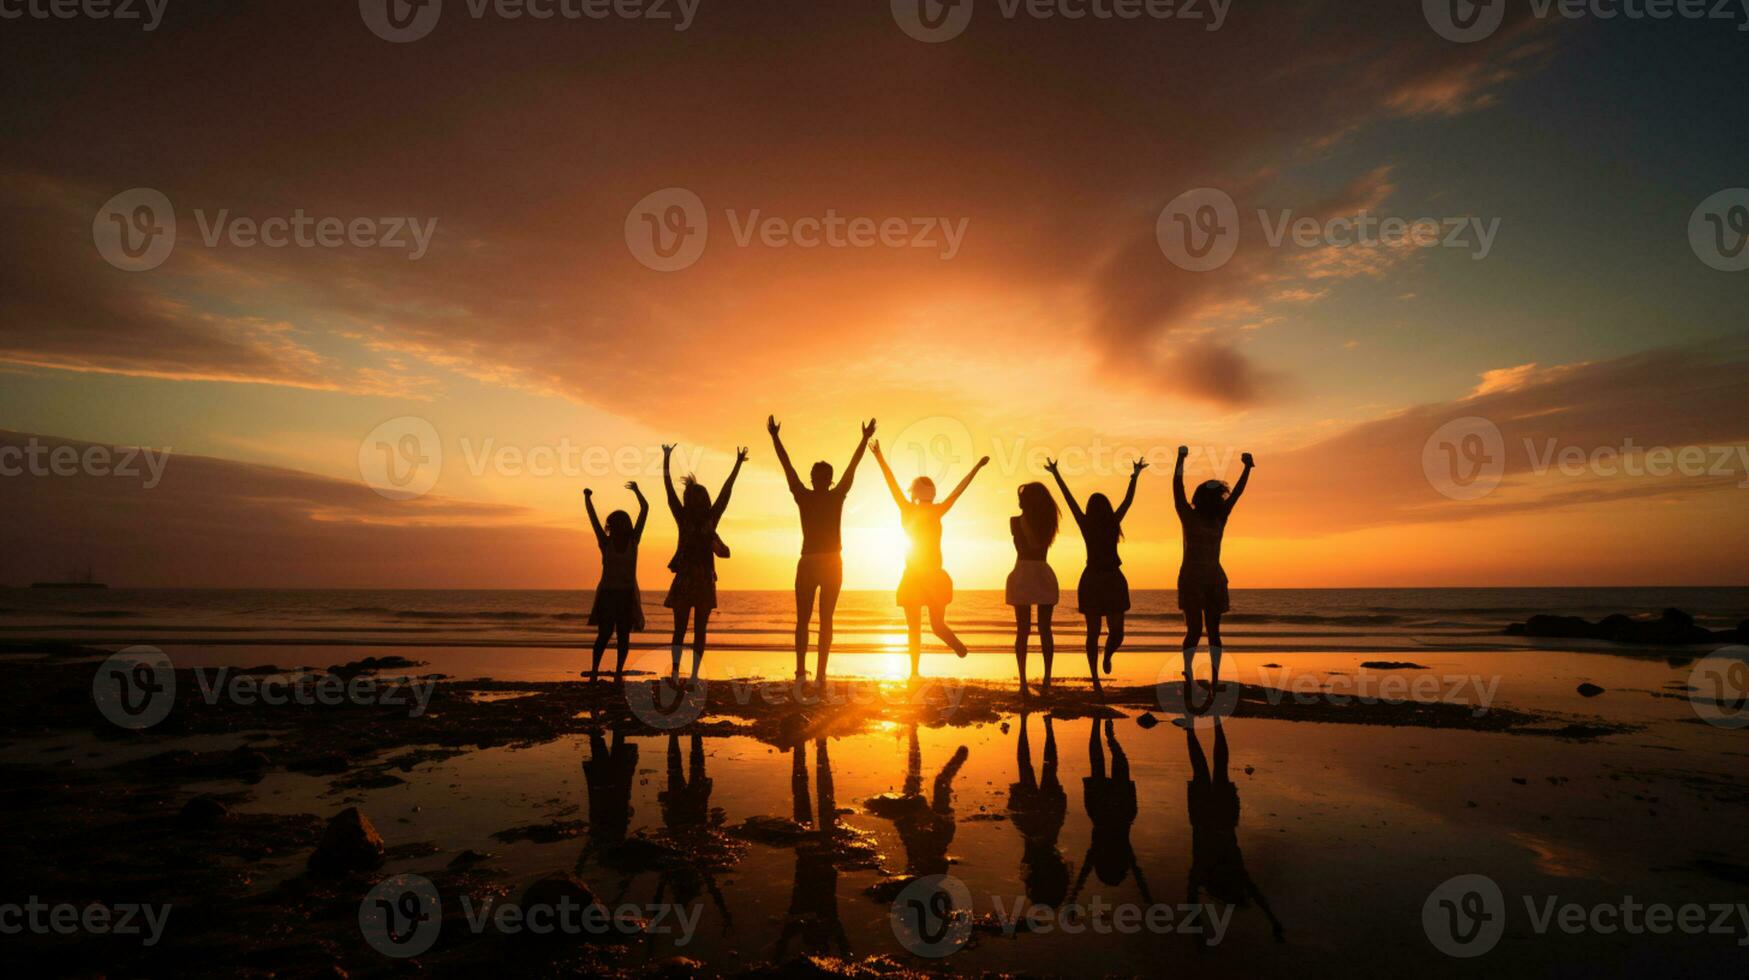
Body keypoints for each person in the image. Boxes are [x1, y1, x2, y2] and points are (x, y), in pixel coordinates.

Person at [768, 415, 875, 683]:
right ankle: (803, 672)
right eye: (817, 475)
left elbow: (853, 466)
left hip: (829, 561)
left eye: (822, 476)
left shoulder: (835, 495)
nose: (818, 479)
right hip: (812, 561)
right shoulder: (805, 495)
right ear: (815, 478)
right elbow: (787, 466)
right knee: (805, 619)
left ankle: (819, 674)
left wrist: (863, 439)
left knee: (824, 619)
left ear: (827, 479)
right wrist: (775, 438)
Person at [870, 440, 988, 678]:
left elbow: (891, 483)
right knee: (936, 625)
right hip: (930, 574)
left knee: (915, 629)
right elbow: (958, 490)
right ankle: (944, 653)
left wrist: (879, 456)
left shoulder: (908, 509)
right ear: (931, 494)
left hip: (918, 575)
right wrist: (976, 468)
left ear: (914, 493)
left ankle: (915, 671)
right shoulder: (936, 510)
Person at [1046, 457, 1145, 699]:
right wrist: (1056, 474)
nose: (1098, 510)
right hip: (1092, 580)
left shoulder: (1113, 522)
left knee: (1117, 632)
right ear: (1092, 509)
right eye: (1095, 506)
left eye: (1100, 506)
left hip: (1113, 578)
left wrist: (1135, 476)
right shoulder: (1085, 523)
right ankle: (1095, 681)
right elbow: (1069, 499)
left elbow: (1128, 501)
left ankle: (1108, 654)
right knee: (1093, 633)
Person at [1185, 714, 1284, 945]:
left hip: (1215, 818)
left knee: (1213, 769)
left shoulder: (1214, 873)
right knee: (1210, 769)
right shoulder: (1225, 874)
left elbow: (1192, 900)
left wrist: (1197, 928)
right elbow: (1256, 896)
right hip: (1215, 818)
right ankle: (1203, 724)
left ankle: (1205, 723)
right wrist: (1272, 921)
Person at [662, 442, 748, 681]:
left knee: (700, 631)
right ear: (688, 500)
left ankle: (695, 675)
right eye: (692, 497)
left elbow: (726, 492)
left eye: (700, 498)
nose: (697, 501)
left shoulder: (711, 518)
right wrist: (666, 460)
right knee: (679, 629)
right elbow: (669, 491)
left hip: (704, 580)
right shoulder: (682, 517)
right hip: (685, 579)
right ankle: (677, 672)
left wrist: (738, 464)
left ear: (705, 500)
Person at [1175, 447, 1253, 701]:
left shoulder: (1218, 517)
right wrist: (1246, 468)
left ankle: (1211, 680)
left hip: (1211, 580)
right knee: (1199, 631)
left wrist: (1247, 469)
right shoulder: (1191, 516)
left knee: (1206, 632)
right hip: (1196, 581)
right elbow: (1178, 489)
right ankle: (1190, 675)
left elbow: (1178, 488)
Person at [583, 481, 648, 685]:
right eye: (616, 523)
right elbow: (593, 519)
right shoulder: (605, 542)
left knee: (623, 637)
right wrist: (587, 498)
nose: (620, 526)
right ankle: (594, 672)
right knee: (604, 635)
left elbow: (645, 509)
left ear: (627, 524)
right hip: (608, 594)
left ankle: (619, 674)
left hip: (627, 594)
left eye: (623, 522)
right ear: (611, 526)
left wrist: (637, 491)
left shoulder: (633, 541)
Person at [1006, 712, 1070, 908]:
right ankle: (1030, 724)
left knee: (1044, 768)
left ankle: (1043, 726)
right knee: (1028, 766)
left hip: (1045, 821)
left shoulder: (1047, 877)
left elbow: (1055, 859)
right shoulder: (1036, 873)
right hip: (1035, 822)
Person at [1006, 482, 1061, 696]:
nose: (1018, 500)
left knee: (1024, 630)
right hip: (1040, 573)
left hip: (1023, 573)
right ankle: (1046, 681)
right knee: (1044, 629)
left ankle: (1023, 682)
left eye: (1022, 497)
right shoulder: (1046, 523)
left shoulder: (1015, 522)